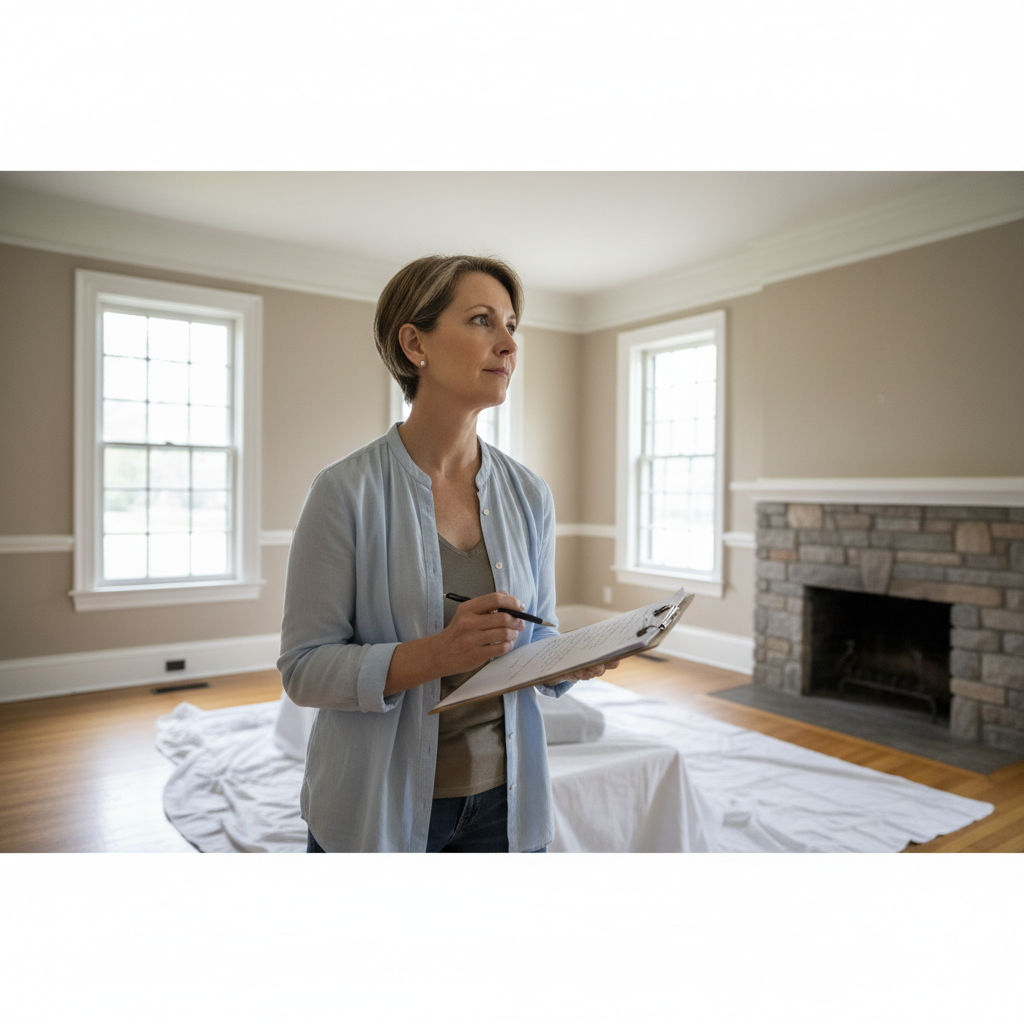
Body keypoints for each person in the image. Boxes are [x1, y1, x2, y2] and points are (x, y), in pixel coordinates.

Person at [277, 255, 618, 852]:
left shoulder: (529, 493)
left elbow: (534, 639)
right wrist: (436, 653)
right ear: (415, 344)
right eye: (483, 320)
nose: (509, 345)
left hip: (506, 805)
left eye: (513, 325)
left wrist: (564, 661)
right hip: (374, 809)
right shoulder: (343, 492)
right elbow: (304, 669)